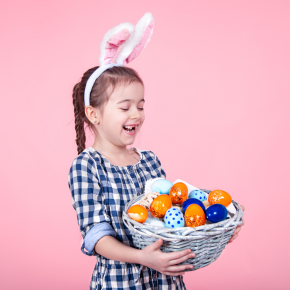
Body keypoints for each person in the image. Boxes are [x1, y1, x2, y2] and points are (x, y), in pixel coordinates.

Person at [67, 12, 245, 290]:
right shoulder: (86, 166)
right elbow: (96, 236)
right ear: (94, 114)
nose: (136, 114)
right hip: (120, 282)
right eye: (125, 107)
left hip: (165, 281)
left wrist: (215, 223)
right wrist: (143, 258)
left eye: (140, 105)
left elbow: (171, 215)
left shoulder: (149, 160)